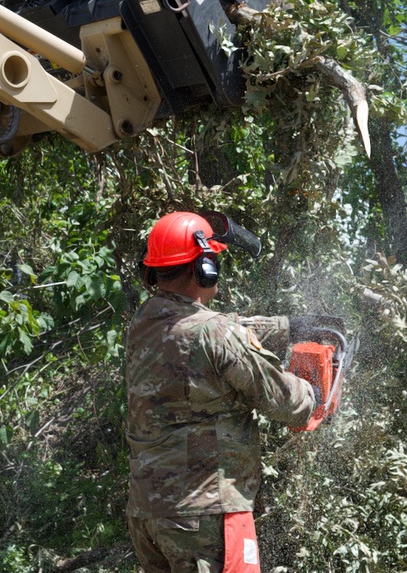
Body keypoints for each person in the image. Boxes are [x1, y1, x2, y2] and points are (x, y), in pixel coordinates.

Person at [126, 211, 319, 572]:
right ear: (204, 267)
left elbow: (214, 330)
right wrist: (314, 393)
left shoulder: (142, 324)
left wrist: (287, 327)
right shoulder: (215, 333)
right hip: (204, 514)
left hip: (148, 513)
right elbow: (283, 400)